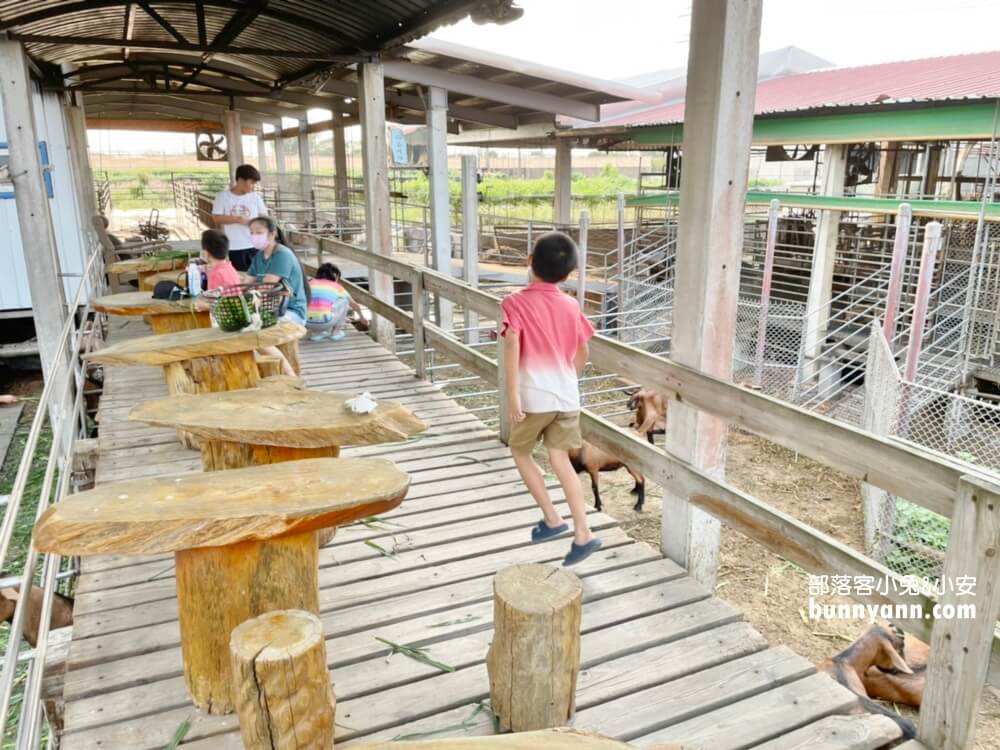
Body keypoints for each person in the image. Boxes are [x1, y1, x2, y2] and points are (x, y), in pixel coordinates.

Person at [500, 231, 599, 567]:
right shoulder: (571, 305)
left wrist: (513, 396)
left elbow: (512, 347)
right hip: (567, 397)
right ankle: (583, 533)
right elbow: (583, 349)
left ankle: (553, 519)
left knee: (520, 451)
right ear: (569, 274)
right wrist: (570, 376)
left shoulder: (514, 303)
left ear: (530, 262)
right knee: (561, 461)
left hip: (533, 399)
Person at [245, 216, 309, 326]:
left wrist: (249, 290)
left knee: (253, 324)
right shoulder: (258, 256)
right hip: (268, 309)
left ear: (272, 234)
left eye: (259, 233)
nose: (254, 236)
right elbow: (245, 284)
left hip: (290, 311)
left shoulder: (282, 254)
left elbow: (267, 286)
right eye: (252, 233)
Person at [212, 164, 268, 272]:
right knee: (242, 277)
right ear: (241, 180)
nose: (253, 186)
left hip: (256, 244)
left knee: (259, 275)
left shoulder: (255, 197)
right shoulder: (223, 197)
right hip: (236, 246)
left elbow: (264, 218)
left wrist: (256, 224)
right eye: (251, 182)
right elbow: (216, 218)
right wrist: (237, 220)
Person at [306, 263, 363, 342]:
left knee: (316, 304)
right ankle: (336, 333)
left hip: (306, 322)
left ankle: (316, 334)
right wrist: (362, 318)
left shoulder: (309, 283)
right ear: (335, 275)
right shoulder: (336, 286)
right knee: (344, 300)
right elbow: (354, 304)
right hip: (325, 322)